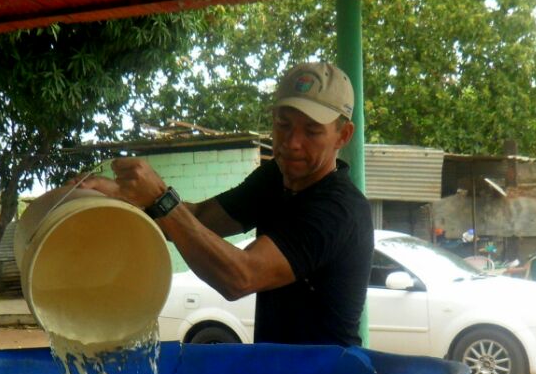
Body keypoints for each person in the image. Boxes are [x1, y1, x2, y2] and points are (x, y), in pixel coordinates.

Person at [82, 61, 374, 346]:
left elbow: (241, 276)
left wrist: (160, 198)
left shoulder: (338, 209)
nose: (292, 142)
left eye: (312, 131)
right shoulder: (275, 178)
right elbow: (197, 218)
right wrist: (118, 199)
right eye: (283, 125)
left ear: (343, 136)